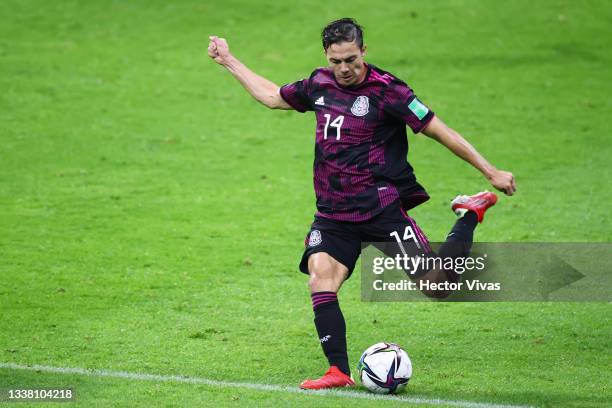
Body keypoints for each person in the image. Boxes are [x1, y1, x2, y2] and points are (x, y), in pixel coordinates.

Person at [208, 18, 515, 390]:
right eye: (336, 61)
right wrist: (229, 61)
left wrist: (490, 170)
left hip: (380, 210)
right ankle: (338, 371)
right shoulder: (319, 84)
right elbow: (273, 96)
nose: (344, 69)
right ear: (327, 56)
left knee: (437, 286)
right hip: (333, 215)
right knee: (321, 280)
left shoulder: (389, 91)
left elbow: (439, 129)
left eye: (351, 59)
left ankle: (469, 212)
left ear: (364, 51)